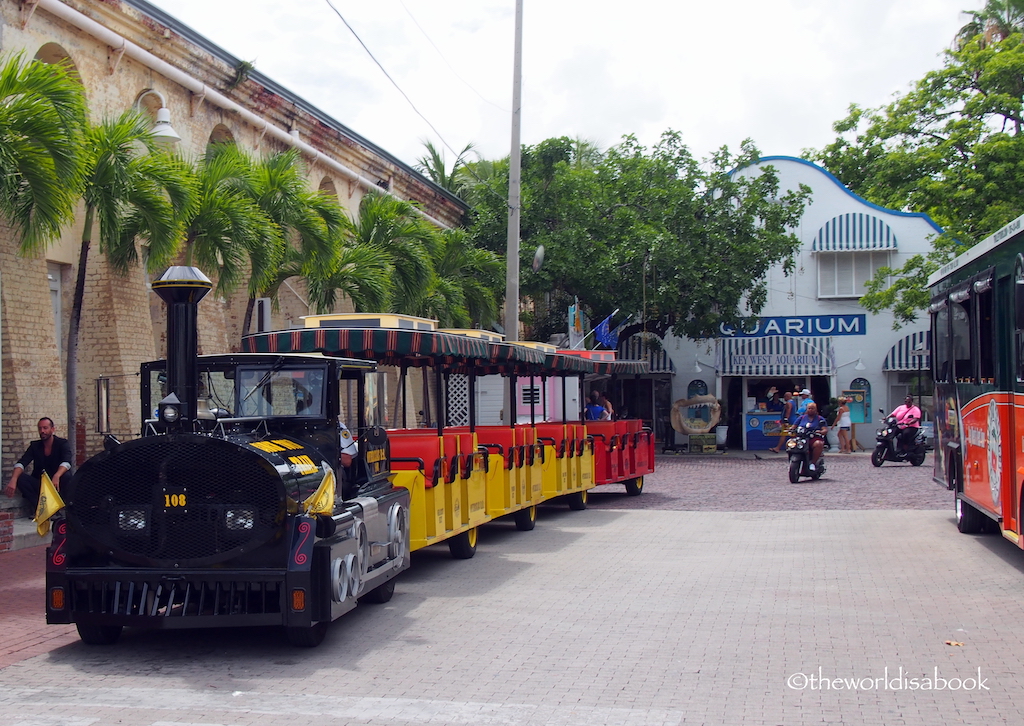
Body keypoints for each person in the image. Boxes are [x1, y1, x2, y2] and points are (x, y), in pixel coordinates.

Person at [4, 417, 73, 511]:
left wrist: (57, 475)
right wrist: (13, 479)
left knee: (66, 475)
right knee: (20, 477)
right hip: (41, 483)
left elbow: (67, 462)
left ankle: (59, 507)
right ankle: (41, 509)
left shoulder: (62, 444)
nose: (42, 431)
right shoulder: (35, 446)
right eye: (40, 428)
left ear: (52, 429)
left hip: (56, 484)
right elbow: (22, 463)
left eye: (45, 428)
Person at [793, 402, 828, 470]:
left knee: (818, 444)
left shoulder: (820, 419)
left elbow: (825, 429)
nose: (810, 410)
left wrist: (821, 432)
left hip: (813, 438)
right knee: (791, 444)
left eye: (812, 408)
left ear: (815, 409)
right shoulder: (801, 417)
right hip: (801, 438)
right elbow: (794, 426)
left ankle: (813, 463)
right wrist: (790, 429)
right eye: (809, 408)